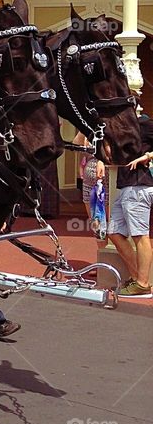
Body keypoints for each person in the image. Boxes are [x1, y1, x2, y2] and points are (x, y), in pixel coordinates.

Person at [108, 98, 153, 297]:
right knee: (113, 232)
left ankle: (143, 284)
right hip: (126, 187)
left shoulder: (145, 124)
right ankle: (138, 279)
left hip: (139, 187)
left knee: (140, 236)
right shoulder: (121, 128)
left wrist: (149, 156)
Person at [74, 130, 106, 237]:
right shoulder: (89, 130)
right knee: (94, 221)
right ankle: (100, 248)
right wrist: (82, 129)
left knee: (107, 220)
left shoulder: (110, 127)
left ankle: (110, 249)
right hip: (89, 177)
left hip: (106, 174)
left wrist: (102, 160)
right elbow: (76, 144)